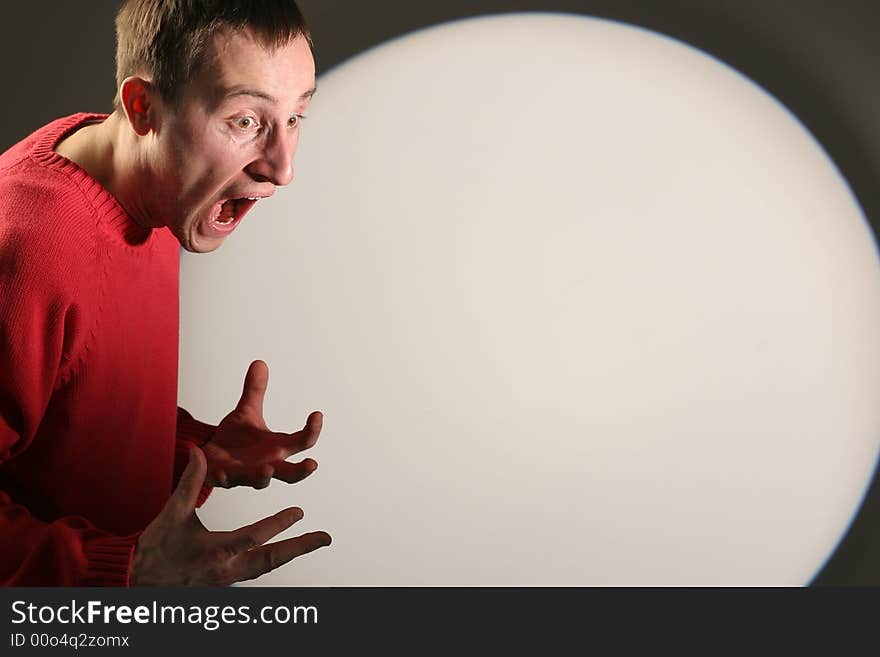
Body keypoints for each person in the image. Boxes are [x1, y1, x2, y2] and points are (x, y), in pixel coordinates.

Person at [0, 0, 330, 586]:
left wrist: (194, 453)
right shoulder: (32, 247)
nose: (283, 169)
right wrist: (123, 573)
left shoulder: (154, 191)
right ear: (143, 107)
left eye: (296, 117)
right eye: (246, 121)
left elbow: (64, 422)